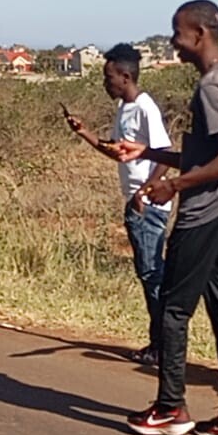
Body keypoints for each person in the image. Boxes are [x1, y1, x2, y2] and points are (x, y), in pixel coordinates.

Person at [114, 0, 218, 435]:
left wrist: (174, 186)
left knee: (174, 309)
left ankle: (170, 408)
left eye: (178, 33)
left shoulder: (212, 86)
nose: (174, 42)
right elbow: (208, 155)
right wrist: (149, 153)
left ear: (200, 33)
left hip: (207, 212)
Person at [62, 43, 173, 365]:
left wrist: (145, 192)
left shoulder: (145, 107)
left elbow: (165, 153)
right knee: (148, 273)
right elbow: (118, 151)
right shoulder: (124, 108)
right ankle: (162, 343)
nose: (105, 83)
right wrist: (84, 133)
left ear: (125, 77)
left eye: (108, 77)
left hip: (147, 205)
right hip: (135, 201)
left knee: (152, 275)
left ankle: (163, 346)